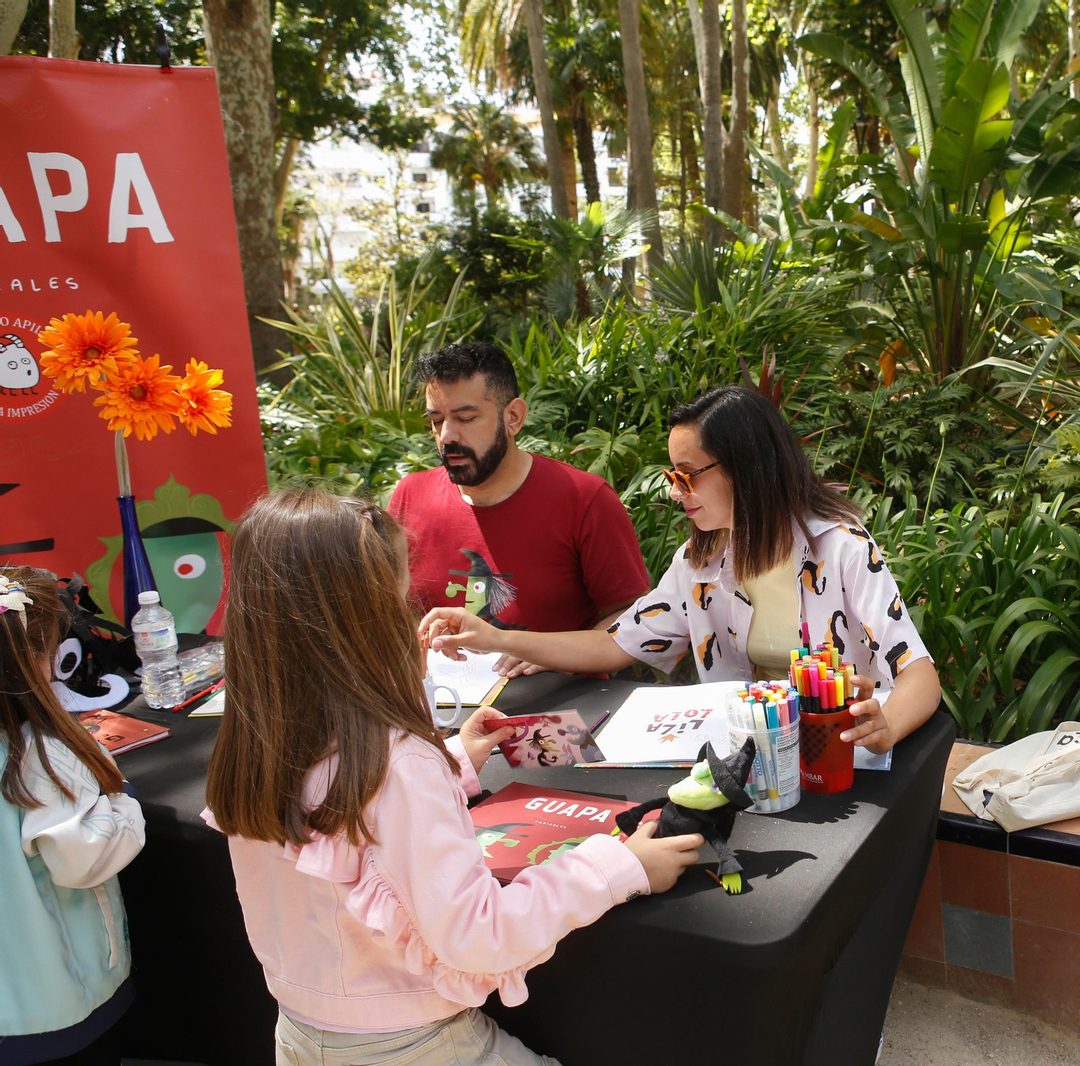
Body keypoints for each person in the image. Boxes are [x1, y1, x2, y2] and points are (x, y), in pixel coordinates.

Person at [203, 489, 702, 1066]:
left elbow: (346, 817)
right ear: (364, 622)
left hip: (300, 1033)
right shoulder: (398, 763)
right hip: (416, 1046)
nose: (414, 616)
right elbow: (479, 936)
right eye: (400, 600)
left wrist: (453, 759)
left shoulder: (260, 737)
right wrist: (620, 867)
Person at [421, 386, 941, 757]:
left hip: (834, 757)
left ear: (748, 468)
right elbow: (615, 644)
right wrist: (496, 639)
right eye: (673, 475)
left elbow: (919, 673)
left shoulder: (841, 549)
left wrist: (886, 726)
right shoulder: (701, 562)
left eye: (687, 476)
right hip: (750, 759)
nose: (674, 491)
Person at [389, 341, 651, 676]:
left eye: (466, 418)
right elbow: (386, 610)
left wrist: (547, 652)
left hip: (561, 709)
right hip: (442, 707)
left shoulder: (584, 498)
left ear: (513, 417)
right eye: (436, 421)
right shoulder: (410, 496)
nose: (447, 436)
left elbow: (635, 616)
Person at [0, 568, 145, 1066]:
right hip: (61, 1004)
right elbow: (82, 861)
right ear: (36, 658)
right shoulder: (40, 757)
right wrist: (121, 798)